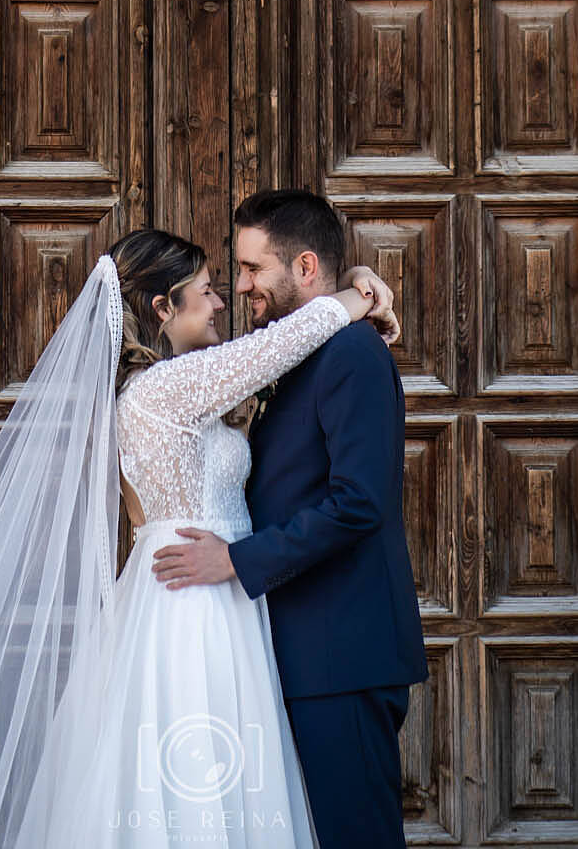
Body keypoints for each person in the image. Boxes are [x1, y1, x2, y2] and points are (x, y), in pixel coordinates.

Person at [0, 219, 400, 848]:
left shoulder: (186, 384)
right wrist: (362, 296)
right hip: (193, 600)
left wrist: (350, 278)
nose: (221, 301)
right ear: (163, 307)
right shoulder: (163, 389)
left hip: (220, 592)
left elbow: (274, 359)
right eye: (207, 289)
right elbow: (283, 343)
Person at [150, 191, 428, 849]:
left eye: (250, 269)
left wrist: (236, 561)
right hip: (305, 651)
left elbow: (360, 500)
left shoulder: (353, 355)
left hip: (343, 655)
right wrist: (361, 285)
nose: (240, 286)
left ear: (304, 267)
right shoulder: (299, 352)